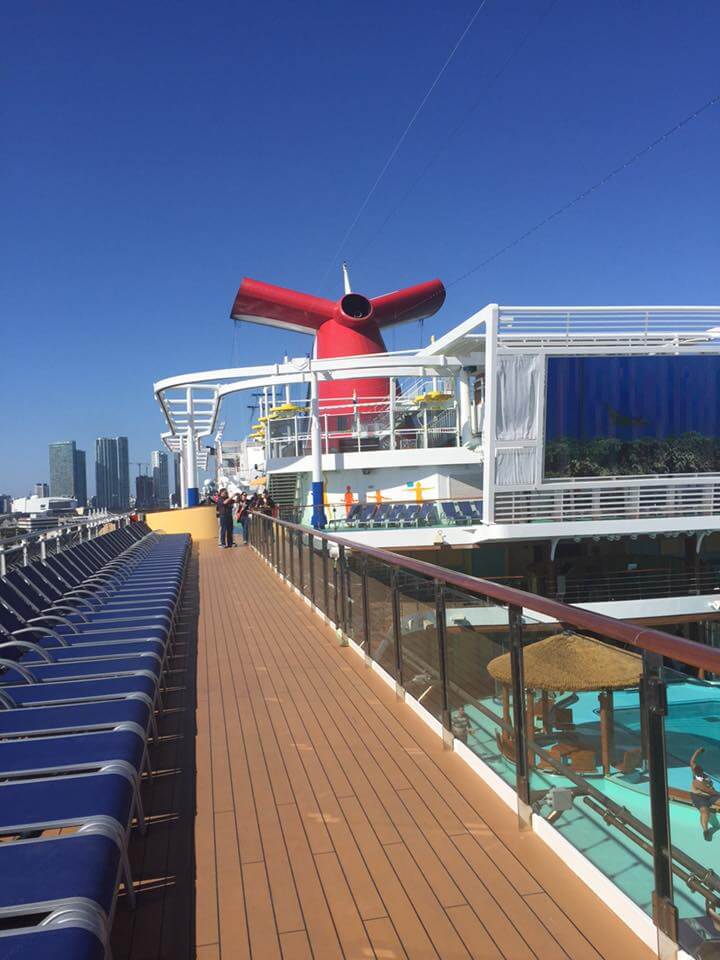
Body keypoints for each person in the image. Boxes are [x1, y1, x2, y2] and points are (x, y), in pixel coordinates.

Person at [690, 747, 720, 841]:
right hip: (699, 797)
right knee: (704, 812)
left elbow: (692, 760)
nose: (700, 773)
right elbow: (711, 791)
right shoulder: (697, 782)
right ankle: (706, 831)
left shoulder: (701, 773)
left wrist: (698, 751)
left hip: (710, 796)